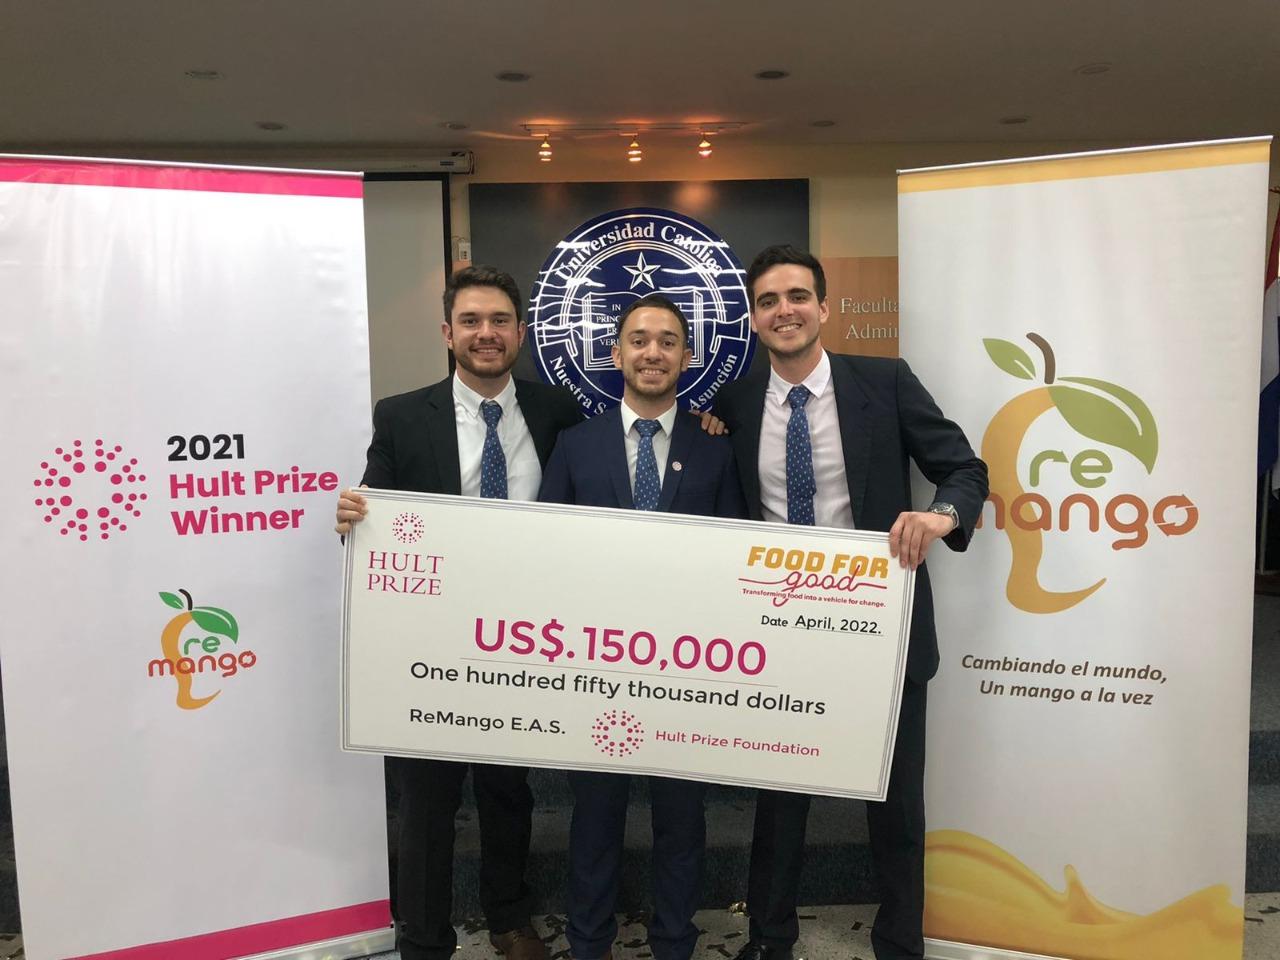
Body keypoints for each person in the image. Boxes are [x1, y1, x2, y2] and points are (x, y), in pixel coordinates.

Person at [712, 246, 988, 960]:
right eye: (769, 301)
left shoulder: (884, 383)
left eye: (798, 296)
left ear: (824, 308)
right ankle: (769, 939)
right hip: (777, 631)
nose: (785, 311)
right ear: (753, 318)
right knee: (779, 802)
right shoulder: (734, 404)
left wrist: (940, 516)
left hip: (880, 630)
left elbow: (964, 469)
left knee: (894, 806)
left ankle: (900, 945)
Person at [334, 264, 583, 960]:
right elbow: (377, 506)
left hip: (522, 639)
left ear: (521, 332)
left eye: (500, 320)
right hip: (429, 644)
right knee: (427, 801)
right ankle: (423, 939)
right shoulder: (401, 415)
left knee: (509, 790)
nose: (486, 333)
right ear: (448, 333)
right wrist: (354, 514)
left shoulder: (557, 412)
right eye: (471, 321)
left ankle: (508, 918)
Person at [538, 293, 748, 960]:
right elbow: (545, 552)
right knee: (594, 820)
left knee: (681, 822)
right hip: (595, 668)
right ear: (616, 353)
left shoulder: (715, 447)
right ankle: (589, 943)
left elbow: (735, 559)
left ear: (687, 356)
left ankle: (674, 943)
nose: (652, 352)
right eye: (638, 340)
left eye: (667, 341)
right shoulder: (575, 445)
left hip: (686, 669)